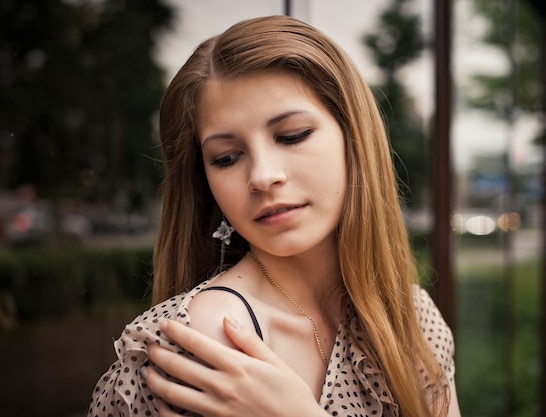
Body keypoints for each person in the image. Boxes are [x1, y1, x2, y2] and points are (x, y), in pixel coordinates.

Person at [87, 15, 461, 417]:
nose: (263, 176)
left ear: (354, 137)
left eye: (292, 135)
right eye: (226, 158)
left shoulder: (409, 318)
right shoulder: (200, 345)